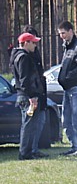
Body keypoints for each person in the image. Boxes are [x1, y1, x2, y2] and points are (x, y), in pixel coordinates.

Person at [10, 32, 48, 160]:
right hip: (27, 97)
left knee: (29, 124)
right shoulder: (23, 58)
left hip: (25, 96)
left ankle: (28, 151)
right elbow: (25, 80)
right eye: (33, 42)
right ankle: (25, 153)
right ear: (26, 43)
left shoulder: (19, 56)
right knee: (28, 125)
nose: (35, 45)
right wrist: (32, 96)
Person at [57, 21, 77, 156]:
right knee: (66, 120)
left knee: (76, 119)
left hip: (75, 88)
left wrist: (68, 78)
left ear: (71, 31)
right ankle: (74, 146)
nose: (62, 36)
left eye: (63, 33)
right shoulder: (67, 47)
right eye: (60, 34)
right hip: (68, 88)